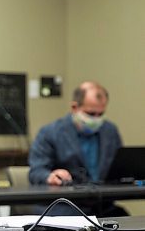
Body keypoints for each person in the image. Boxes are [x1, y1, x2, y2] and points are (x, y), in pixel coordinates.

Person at [29, 81, 126, 217]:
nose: (96, 119)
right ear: (75, 107)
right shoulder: (50, 133)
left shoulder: (110, 131)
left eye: (101, 114)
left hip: (102, 205)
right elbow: (36, 171)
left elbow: (119, 167)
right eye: (91, 114)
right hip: (63, 206)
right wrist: (50, 176)